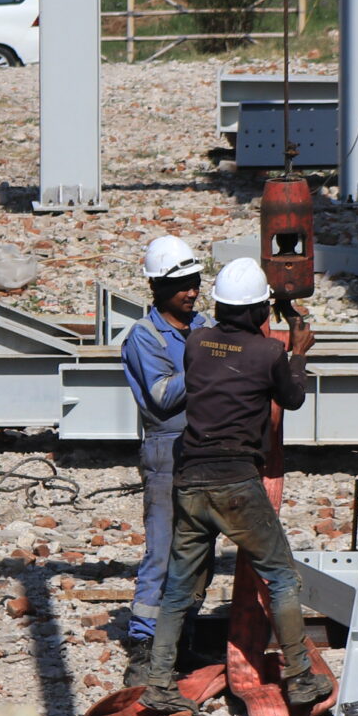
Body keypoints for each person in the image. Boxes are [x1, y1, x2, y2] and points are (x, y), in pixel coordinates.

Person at [133, 257, 333, 716]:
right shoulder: (267, 354)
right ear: (261, 310)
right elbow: (292, 397)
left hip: (190, 483)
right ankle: (301, 678)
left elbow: (224, 360)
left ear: (219, 304)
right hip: (237, 484)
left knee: (178, 586)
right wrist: (297, 351)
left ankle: (158, 683)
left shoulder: (197, 342)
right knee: (281, 577)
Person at [119, 235, 207, 685]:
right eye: (182, 285)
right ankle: (144, 647)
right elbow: (162, 397)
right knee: (162, 550)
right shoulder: (145, 336)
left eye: (195, 282)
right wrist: (209, 361)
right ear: (157, 288)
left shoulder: (205, 326)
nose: (192, 292)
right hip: (166, 449)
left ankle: (181, 637)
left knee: (197, 549)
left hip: (206, 448)